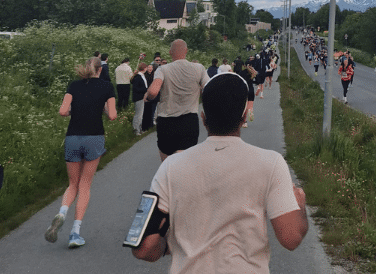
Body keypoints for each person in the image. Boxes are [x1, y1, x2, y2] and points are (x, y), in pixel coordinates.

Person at [131, 73, 309, 270]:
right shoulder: (271, 163)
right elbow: (291, 237)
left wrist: (169, 246)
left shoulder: (170, 166)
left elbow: (144, 248)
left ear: (203, 118)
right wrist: (300, 204)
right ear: (243, 116)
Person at [45, 56, 117, 248]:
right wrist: (102, 109)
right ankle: (75, 233)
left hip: (73, 137)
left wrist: (74, 111)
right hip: (94, 137)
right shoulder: (107, 87)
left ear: (86, 68)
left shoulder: (74, 85)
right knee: (85, 185)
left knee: (72, 184)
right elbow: (112, 115)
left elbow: (63, 111)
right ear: (100, 70)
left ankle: (62, 213)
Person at [146, 39, 210, 162]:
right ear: (186, 51)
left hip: (166, 121)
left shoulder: (163, 69)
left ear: (170, 52)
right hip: (189, 120)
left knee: (167, 163)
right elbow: (209, 89)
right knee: (186, 163)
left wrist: (147, 97)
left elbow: (153, 92)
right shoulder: (199, 68)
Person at [131, 62, 150, 135]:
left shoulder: (142, 76)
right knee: (138, 114)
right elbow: (135, 88)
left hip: (142, 97)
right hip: (139, 97)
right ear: (144, 68)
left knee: (141, 114)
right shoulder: (138, 77)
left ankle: (139, 128)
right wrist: (145, 90)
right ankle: (136, 129)